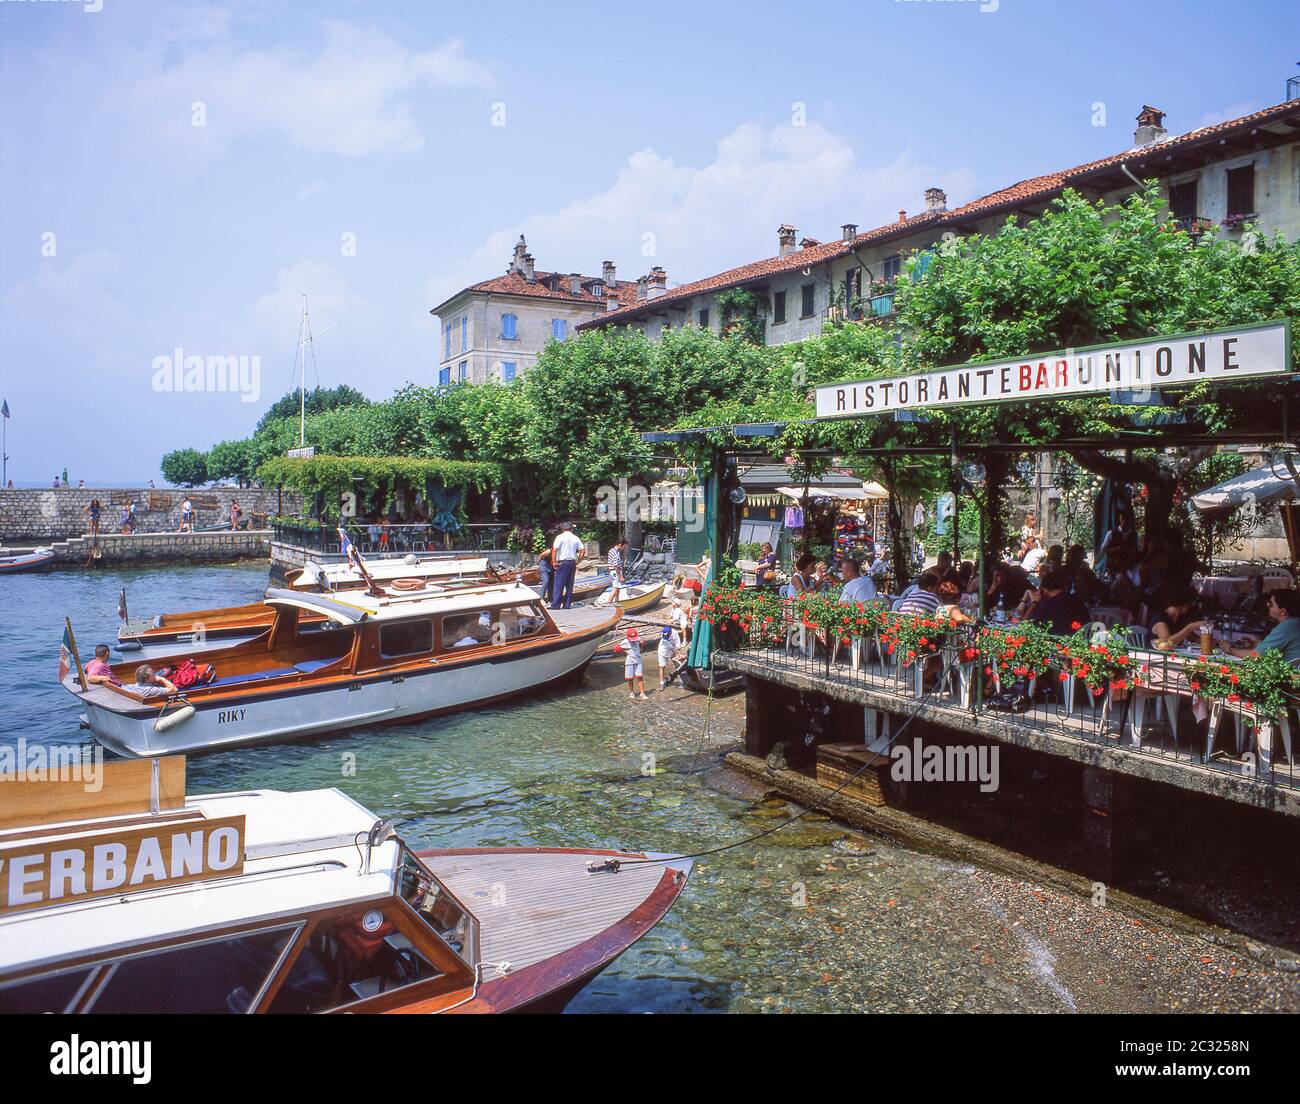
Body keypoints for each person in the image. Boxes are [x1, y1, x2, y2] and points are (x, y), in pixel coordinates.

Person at [1223, 588, 1300, 662]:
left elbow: (1256, 655)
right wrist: (1259, 642)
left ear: (1282, 612)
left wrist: (1230, 649)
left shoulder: (1286, 627)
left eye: (1271, 604)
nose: (1267, 604)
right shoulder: (1294, 623)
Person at [1025, 568, 1090, 637]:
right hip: (1080, 641)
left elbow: (1025, 625)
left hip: (1055, 641)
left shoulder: (1049, 604)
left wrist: (1034, 603)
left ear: (1044, 590)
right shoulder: (1077, 601)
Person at [1149, 583, 1208, 648]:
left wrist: (1215, 642)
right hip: (1156, 656)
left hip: (1173, 655)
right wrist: (1190, 627)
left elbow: (1193, 638)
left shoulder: (1180, 618)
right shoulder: (1160, 618)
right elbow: (1165, 643)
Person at [551, 522, 583, 609]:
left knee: (558, 584)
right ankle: (567, 604)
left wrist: (554, 562)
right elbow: (582, 550)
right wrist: (578, 560)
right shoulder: (575, 538)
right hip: (572, 562)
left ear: (562, 529)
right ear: (571, 529)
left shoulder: (560, 537)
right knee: (569, 585)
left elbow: (554, 550)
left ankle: (556, 605)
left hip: (563, 562)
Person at [1100, 509, 1139, 578]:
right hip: (1115, 567)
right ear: (1120, 520)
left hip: (1130, 568)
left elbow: (1137, 549)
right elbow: (1103, 549)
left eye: (1127, 519)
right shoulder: (1111, 533)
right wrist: (1116, 549)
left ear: (1130, 520)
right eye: (1122, 519)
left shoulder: (1135, 535)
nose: (1125, 521)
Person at [612, 627, 648, 699]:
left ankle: (642, 693)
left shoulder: (638, 640)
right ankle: (631, 692)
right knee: (630, 678)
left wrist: (640, 648)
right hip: (630, 662)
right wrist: (625, 651)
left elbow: (642, 644)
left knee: (639, 676)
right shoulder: (625, 641)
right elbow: (616, 648)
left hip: (638, 661)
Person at [657, 625, 684, 690]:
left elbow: (677, 645)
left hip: (672, 650)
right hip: (663, 651)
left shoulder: (675, 633)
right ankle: (661, 682)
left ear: (670, 632)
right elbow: (671, 647)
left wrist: (679, 655)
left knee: (678, 664)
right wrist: (677, 654)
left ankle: (682, 679)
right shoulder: (664, 636)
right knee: (662, 666)